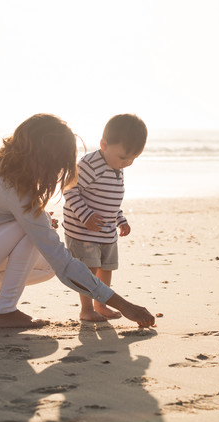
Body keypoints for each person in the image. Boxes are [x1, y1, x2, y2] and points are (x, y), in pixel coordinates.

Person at [0, 113, 155, 329]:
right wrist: (124, 305)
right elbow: (64, 262)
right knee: (37, 237)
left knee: (44, 264)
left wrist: (35, 220)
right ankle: (4, 312)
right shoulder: (17, 189)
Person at [62, 114, 147, 321]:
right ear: (104, 144)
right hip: (83, 230)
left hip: (106, 231)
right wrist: (86, 216)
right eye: (123, 157)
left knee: (106, 268)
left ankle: (101, 304)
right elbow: (69, 189)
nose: (127, 163)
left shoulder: (116, 166)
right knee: (88, 270)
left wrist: (120, 219)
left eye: (133, 159)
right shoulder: (90, 165)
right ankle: (86, 309)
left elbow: (109, 199)